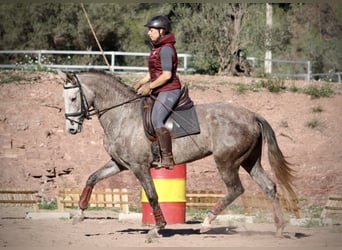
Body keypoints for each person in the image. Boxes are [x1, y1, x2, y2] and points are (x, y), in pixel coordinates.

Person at [134, 15, 181, 170]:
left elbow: (166, 75)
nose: (149, 33)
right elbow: (153, 72)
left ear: (162, 31)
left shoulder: (166, 49)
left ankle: (167, 158)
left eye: (151, 30)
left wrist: (150, 86)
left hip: (170, 90)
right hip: (159, 88)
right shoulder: (157, 48)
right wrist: (141, 82)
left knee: (156, 119)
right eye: (149, 30)